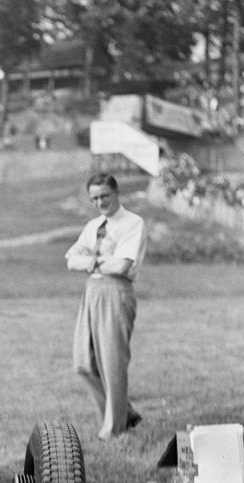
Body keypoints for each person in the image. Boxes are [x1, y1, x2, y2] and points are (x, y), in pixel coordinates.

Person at [65, 173, 147, 440]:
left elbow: (123, 265)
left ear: (116, 193)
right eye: (94, 198)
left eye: (104, 196)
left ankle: (114, 428)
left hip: (116, 291)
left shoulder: (132, 223)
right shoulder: (93, 225)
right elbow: (71, 259)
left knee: (112, 362)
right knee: (83, 363)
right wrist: (99, 261)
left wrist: (90, 259)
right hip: (92, 291)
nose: (100, 202)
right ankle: (125, 412)